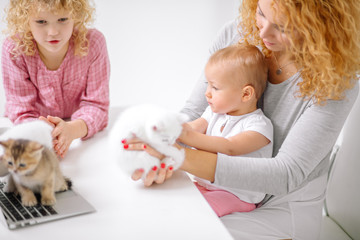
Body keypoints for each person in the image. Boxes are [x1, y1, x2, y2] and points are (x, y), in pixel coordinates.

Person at [125, 0, 360, 239]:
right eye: (261, 13)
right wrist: (161, 147)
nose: (264, 31)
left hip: (281, 211)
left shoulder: (338, 79)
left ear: (320, 26)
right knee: (148, 217)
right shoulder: (235, 34)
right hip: (216, 189)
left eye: (284, 26)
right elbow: (196, 112)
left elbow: (287, 173)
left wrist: (179, 156)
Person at [1, 0, 110, 158]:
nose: (52, 32)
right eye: (41, 21)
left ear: (76, 16)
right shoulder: (15, 49)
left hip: (79, 133)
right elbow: (21, 109)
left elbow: (97, 106)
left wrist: (72, 129)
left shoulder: (93, 43)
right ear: (25, 19)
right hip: (36, 133)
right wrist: (44, 135)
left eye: (62, 20)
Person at [178, 43, 273, 217]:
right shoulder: (215, 113)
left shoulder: (259, 126)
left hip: (237, 195)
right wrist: (172, 130)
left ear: (246, 94)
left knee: (197, 213)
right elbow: (194, 127)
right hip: (208, 185)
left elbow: (230, 147)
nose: (207, 93)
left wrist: (187, 136)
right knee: (177, 198)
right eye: (208, 85)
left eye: (215, 87)